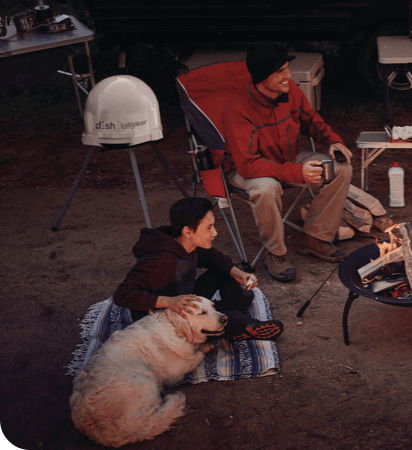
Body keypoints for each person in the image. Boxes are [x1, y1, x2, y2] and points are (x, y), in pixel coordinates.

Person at [223, 41, 353, 282]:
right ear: (264, 76)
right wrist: (296, 172)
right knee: (266, 187)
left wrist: (332, 141)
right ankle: (276, 254)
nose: (289, 76)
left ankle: (316, 237)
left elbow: (310, 120)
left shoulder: (289, 91)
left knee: (341, 168)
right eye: (281, 71)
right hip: (251, 169)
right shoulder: (238, 108)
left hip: (288, 159)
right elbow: (247, 164)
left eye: (287, 69)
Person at [113, 197, 284, 341]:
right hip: (165, 321)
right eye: (208, 228)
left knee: (226, 272)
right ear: (188, 231)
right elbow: (122, 295)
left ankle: (233, 311)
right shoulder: (161, 260)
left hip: (185, 298)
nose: (215, 233)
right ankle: (241, 324)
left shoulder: (187, 242)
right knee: (235, 320)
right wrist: (169, 302)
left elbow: (214, 257)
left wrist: (240, 274)